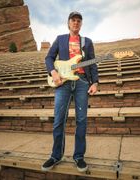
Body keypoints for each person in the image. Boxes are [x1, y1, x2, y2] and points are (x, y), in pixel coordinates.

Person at [42, 11, 99, 172]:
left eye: (79, 21)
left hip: (81, 82)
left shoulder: (86, 42)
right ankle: (55, 155)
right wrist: (53, 72)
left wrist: (94, 82)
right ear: (68, 23)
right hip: (63, 83)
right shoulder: (60, 39)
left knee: (82, 120)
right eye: (73, 20)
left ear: (81, 24)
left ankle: (79, 156)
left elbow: (92, 64)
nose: (76, 23)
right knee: (59, 119)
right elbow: (49, 58)